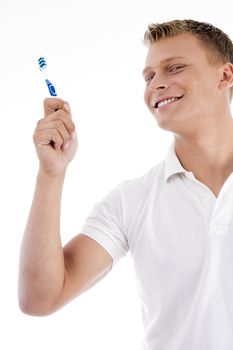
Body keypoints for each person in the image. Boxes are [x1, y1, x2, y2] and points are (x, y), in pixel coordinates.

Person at [18, 19, 233, 349]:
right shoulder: (130, 201)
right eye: (149, 77)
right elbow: (40, 298)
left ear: (225, 76)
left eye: (174, 68)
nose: (156, 84)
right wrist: (52, 173)